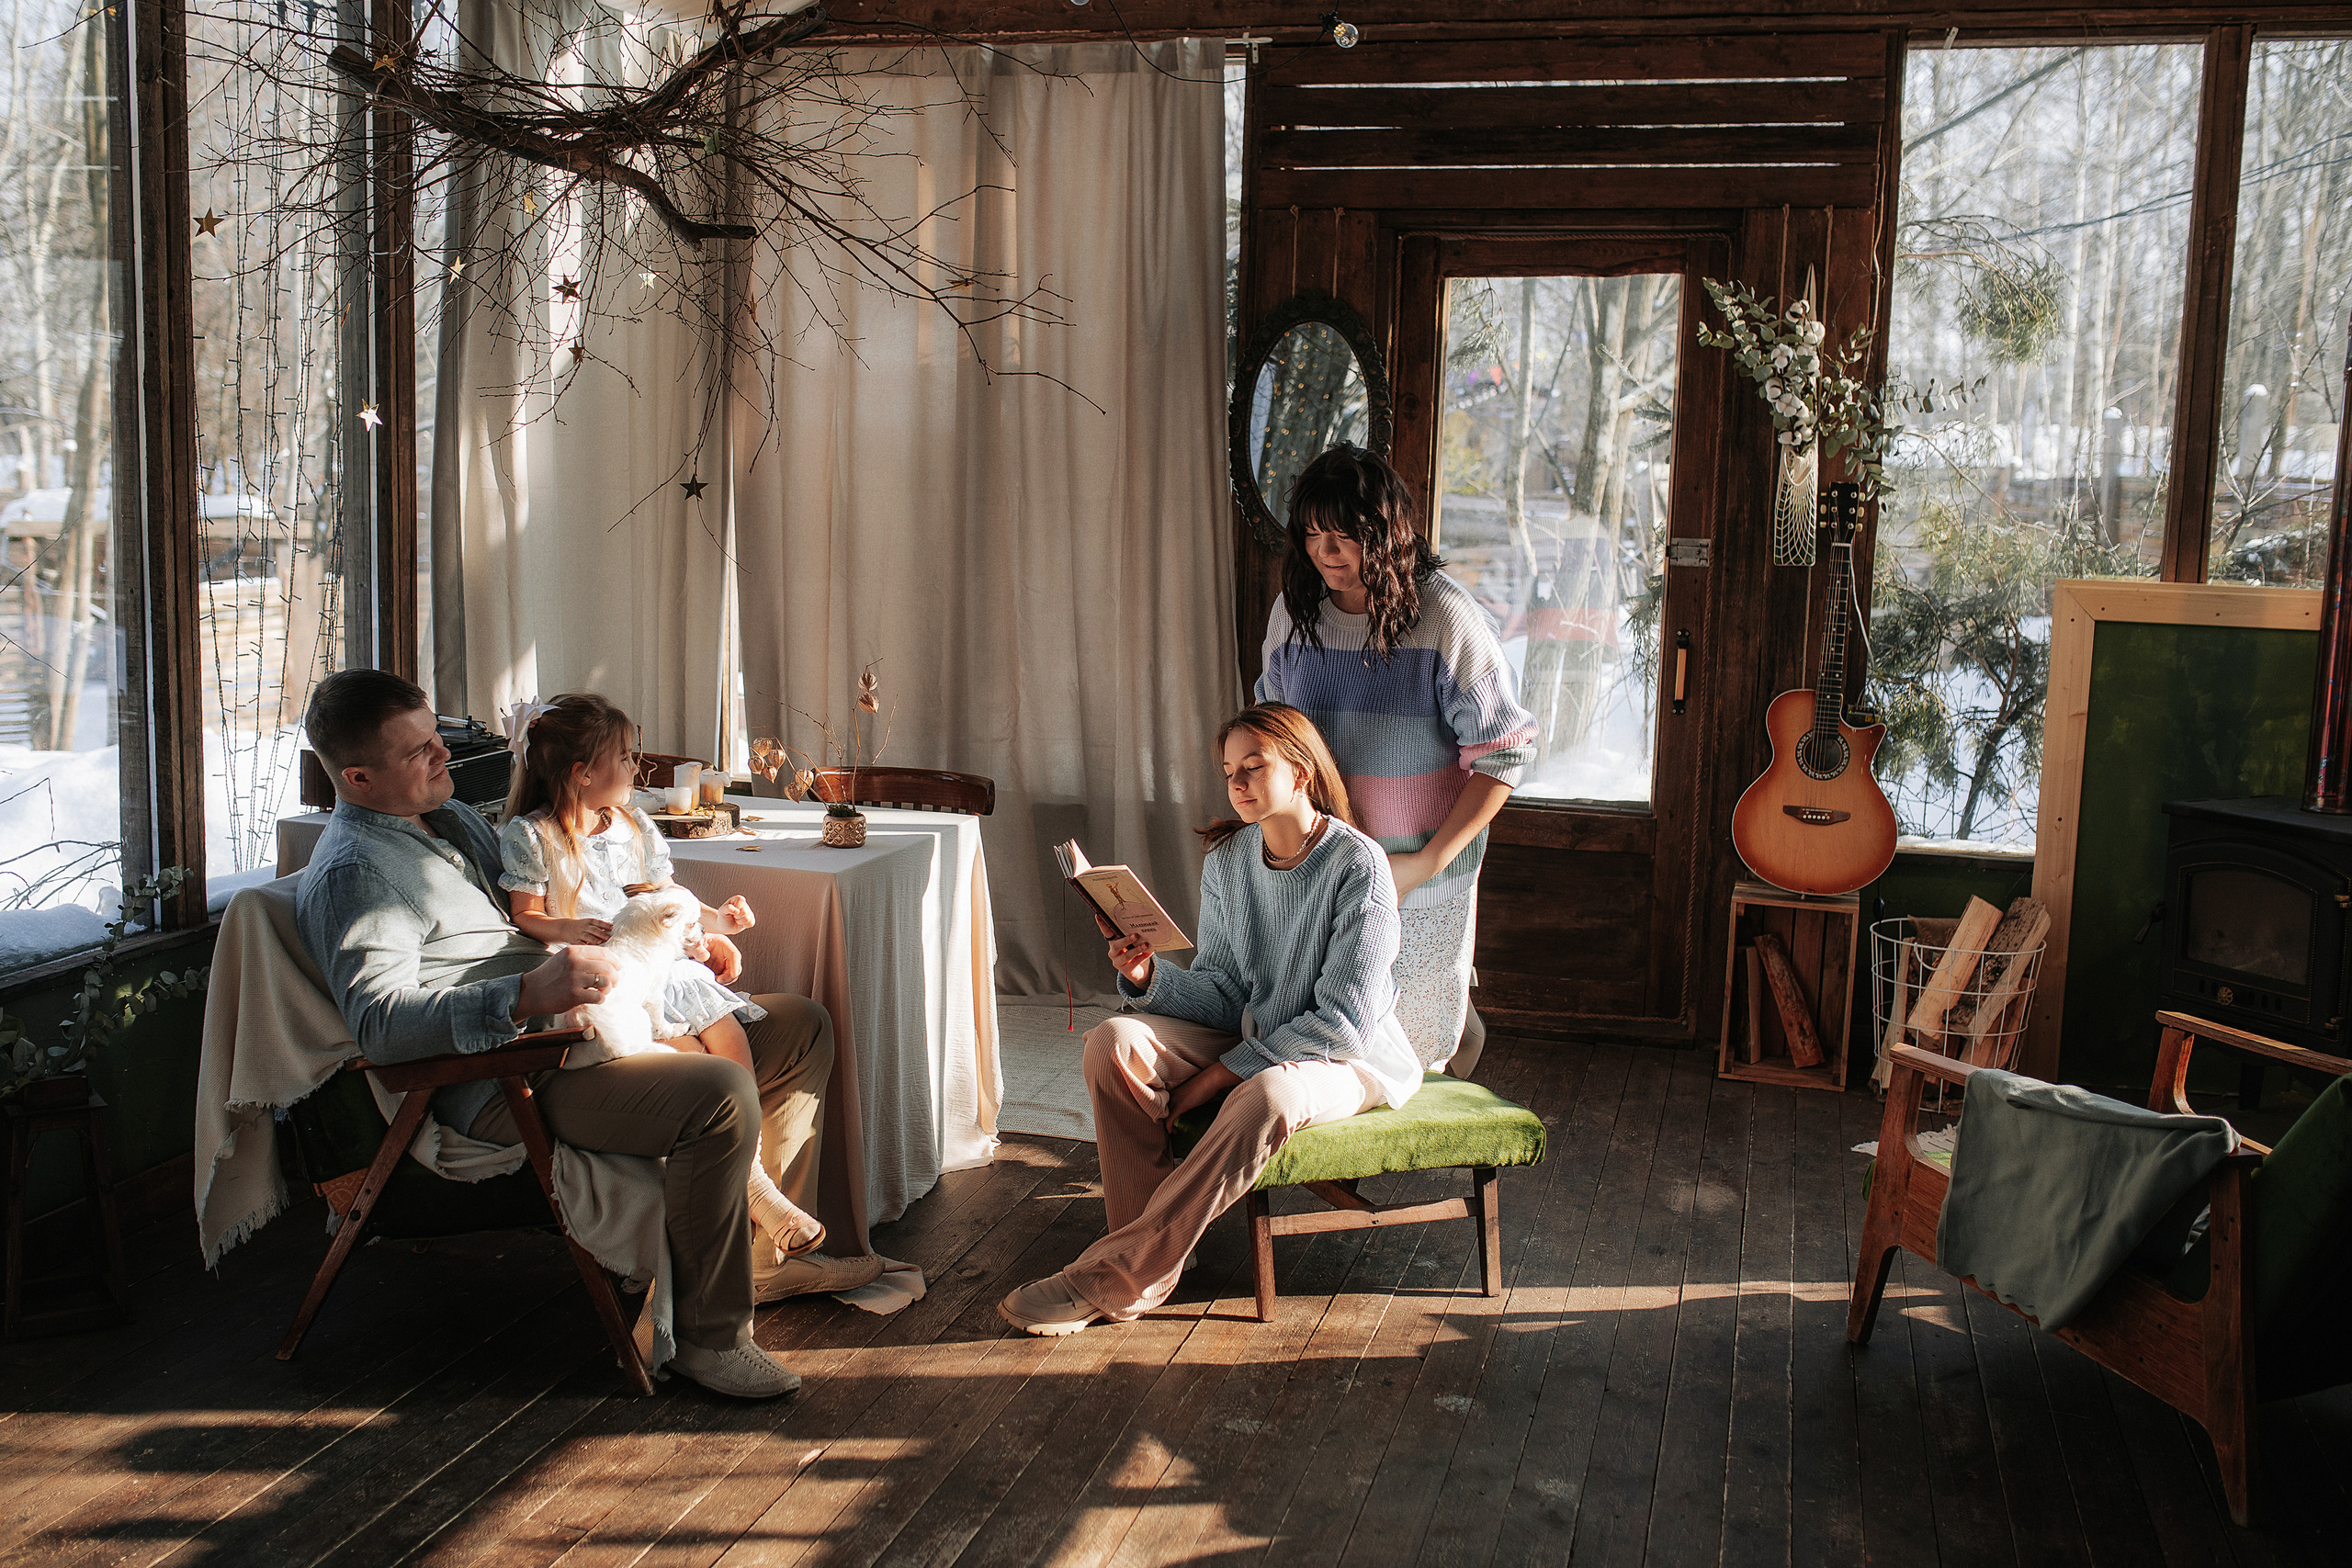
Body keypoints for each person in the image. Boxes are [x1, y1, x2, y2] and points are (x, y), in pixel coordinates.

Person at [292, 670, 880, 1401]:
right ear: (357, 777)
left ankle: (759, 1259)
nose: (444, 754)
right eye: (419, 751)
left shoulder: (448, 821)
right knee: (721, 1090)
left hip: (577, 1028)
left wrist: (676, 943)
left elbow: (553, 899)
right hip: (508, 1073)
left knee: (798, 1026)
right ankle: (710, 1335)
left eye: (435, 736)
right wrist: (523, 994)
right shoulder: (355, 874)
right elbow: (380, 1024)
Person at [997, 703, 1421, 1337]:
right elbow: (1225, 993)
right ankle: (1152, 1254)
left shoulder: (1359, 866)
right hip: (1256, 1030)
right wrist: (1147, 976)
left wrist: (1221, 1074)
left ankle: (1122, 1273)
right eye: (1229, 771)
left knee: (1267, 1093)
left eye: (1255, 766)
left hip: (1348, 1058)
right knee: (1113, 1040)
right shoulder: (1228, 862)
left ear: (1301, 772)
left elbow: (1341, 1022)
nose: (1239, 783)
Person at [496, 692, 826, 1263]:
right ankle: (756, 1197)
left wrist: (717, 923)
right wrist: (570, 925)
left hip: (663, 963)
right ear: (581, 774)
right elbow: (524, 914)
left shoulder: (634, 825)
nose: (636, 768)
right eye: (625, 758)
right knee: (690, 1056)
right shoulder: (533, 837)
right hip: (617, 977)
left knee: (730, 1042)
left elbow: (668, 901)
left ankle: (755, 1182)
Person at [1256, 446, 1536, 1077]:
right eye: (1313, 534)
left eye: (1345, 536)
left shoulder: (1445, 615)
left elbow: (1506, 751)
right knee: (1324, 1039)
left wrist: (1428, 861)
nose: (1326, 553)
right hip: (1320, 865)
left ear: (1384, 533)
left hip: (1418, 868)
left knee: (1408, 1051)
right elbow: (1271, 729)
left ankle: (1456, 1025)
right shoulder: (1294, 617)